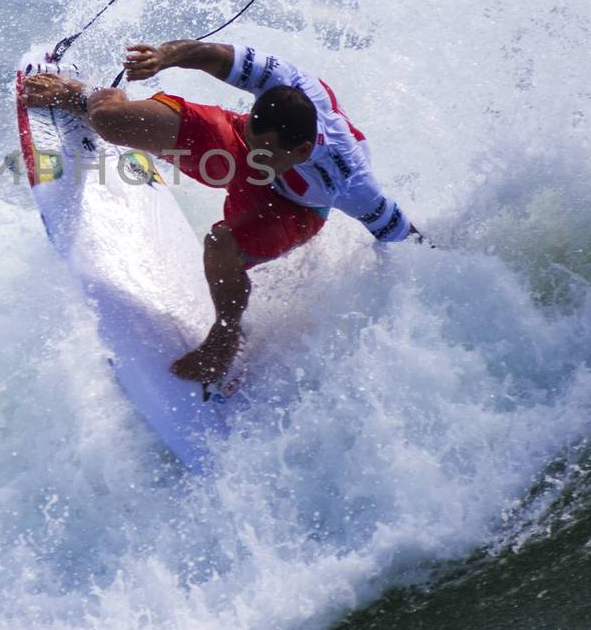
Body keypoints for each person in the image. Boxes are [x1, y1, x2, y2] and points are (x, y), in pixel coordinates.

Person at [22, 39, 422, 385]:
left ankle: (226, 336)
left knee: (220, 244)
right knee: (110, 121)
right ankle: (81, 96)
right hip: (235, 136)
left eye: (265, 153)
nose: (253, 158)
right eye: (254, 144)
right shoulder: (287, 82)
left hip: (291, 208)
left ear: (301, 152)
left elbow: (407, 242)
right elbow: (206, 53)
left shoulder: (351, 181)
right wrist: (163, 56)